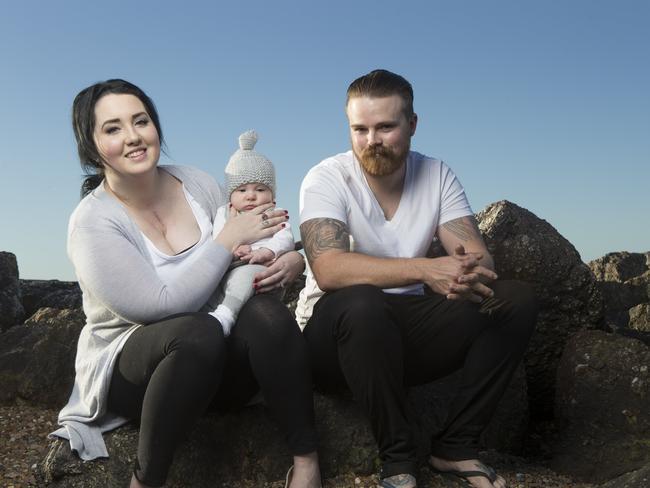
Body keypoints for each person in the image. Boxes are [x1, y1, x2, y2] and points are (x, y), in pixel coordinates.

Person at [50, 79, 321, 488]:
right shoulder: (92, 222)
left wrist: (289, 258)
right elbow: (157, 307)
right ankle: (146, 480)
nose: (133, 137)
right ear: (90, 145)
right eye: (113, 128)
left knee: (267, 315)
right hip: (134, 370)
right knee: (197, 333)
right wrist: (229, 239)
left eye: (140, 121)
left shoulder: (196, 182)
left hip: (214, 353)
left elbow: (243, 260)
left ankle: (306, 463)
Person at [296, 69, 537, 488]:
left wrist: (465, 272)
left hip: (404, 335)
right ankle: (398, 460)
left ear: (412, 124)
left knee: (515, 299)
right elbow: (329, 268)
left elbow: (477, 254)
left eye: (385, 127)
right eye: (360, 128)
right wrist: (427, 268)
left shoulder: (437, 174)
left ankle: (455, 447)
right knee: (362, 303)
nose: (372, 139)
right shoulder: (326, 177)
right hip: (334, 340)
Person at [206, 130, 294, 335]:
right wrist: (234, 246)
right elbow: (218, 238)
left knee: (246, 277)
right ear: (231, 194)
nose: (251, 196)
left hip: (259, 268)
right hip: (228, 269)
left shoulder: (275, 213)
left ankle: (226, 314)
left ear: (272, 193)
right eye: (242, 190)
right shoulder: (224, 213)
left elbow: (285, 237)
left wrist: (268, 251)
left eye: (261, 189)